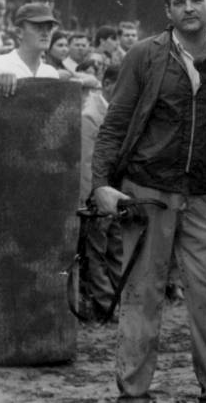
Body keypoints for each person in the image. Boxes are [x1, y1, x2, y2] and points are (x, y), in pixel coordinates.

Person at [91, 0, 206, 403]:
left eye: (196, 0)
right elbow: (114, 125)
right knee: (142, 295)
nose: (189, 8)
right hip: (147, 194)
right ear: (168, 11)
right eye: (179, 2)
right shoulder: (144, 56)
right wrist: (99, 184)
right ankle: (132, 391)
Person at [80, 66, 123, 320]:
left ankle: (121, 299)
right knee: (97, 251)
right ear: (107, 84)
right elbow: (87, 161)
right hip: (98, 194)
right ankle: (106, 304)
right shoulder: (90, 115)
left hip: (117, 192)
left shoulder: (113, 111)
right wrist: (92, 195)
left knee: (116, 247)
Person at [0, 3, 60, 103]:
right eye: (38, 27)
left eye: (49, 28)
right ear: (19, 32)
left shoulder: (51, 73)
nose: (46, 33)